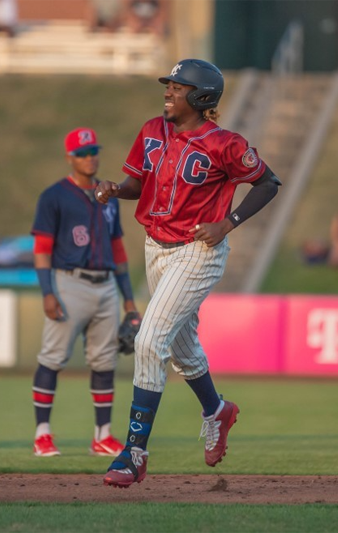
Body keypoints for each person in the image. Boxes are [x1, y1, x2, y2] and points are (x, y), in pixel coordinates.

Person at [94, 59, 280, 487]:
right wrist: (115, 189)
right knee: (180, 347)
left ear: (200, 97)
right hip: (155, 245)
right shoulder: (151, 131)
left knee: (149, 340)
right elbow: (138, 184)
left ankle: (134, 452)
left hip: (199, 249)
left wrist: (228, 223)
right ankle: (216, 409)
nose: (168, 92)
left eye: (177, 87)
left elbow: (268, 183)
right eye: (170, 85)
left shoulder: (225, 143)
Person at [30, 127, 139, 458]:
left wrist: (129, 301)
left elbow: (118, 249)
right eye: (82, 153)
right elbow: (42, 249)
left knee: (104, 361)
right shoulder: (54, 196)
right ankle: (42, 434)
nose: (89, 157)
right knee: (53, 357)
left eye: (93, 151)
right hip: (69, 283)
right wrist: (48, 292)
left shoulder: (108, 196)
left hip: (105, 284)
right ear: (70, 157)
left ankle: (102, 436)